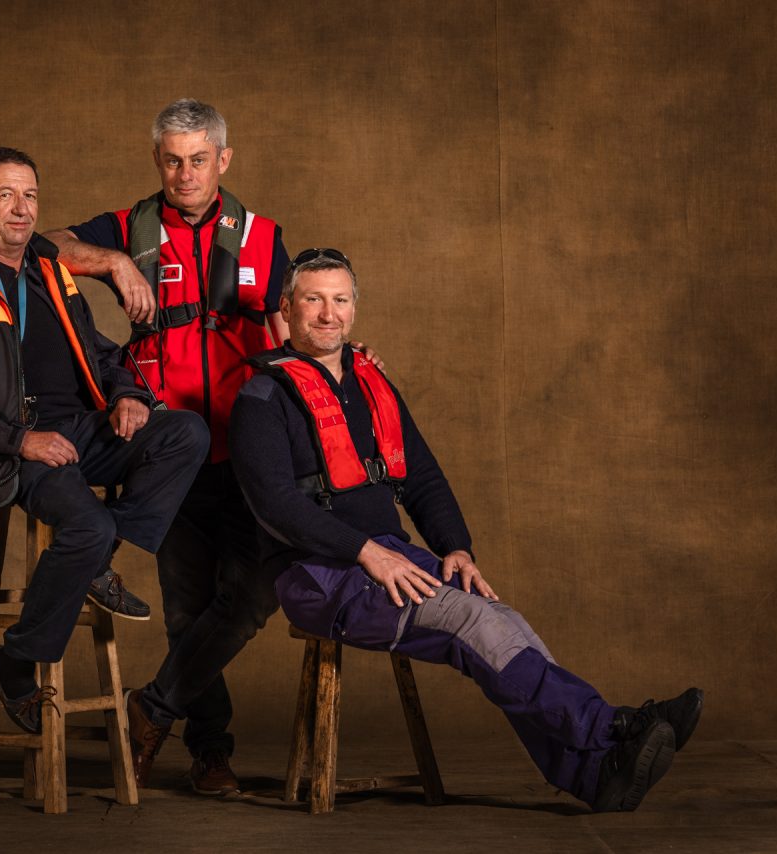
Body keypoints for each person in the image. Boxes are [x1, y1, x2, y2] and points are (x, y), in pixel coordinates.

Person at [228, 248, 703, 812]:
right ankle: (612, 727)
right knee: (471, 621)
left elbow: (422, 475)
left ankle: (595, 774)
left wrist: (456, 547)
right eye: (313, 300)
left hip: (390, 556)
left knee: (503, 618)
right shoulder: (261, 397)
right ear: (286, 309)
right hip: (318, 575)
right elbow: (275, 505)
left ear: (355, 308)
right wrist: (364, 552)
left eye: (340, 300)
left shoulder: (371, 381)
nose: (328, 313)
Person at [0, 148, 208, 733]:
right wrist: (21, 441)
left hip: (81, 430)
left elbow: (100, 353)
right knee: (88, 526)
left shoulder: (51, 273)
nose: (22, 209)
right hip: (11, 448)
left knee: (185, 431)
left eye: (30, 195)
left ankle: (97, 562)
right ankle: (14, 661)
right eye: (5, 195)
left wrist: (127, 395)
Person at [44, 98, 293, 794]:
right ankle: (211, 752)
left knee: (249, 599)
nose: (186, 174)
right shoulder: (129, 227)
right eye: (174, 160)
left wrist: (350, 363)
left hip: (248, 452)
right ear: (158, 159)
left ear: (224, 160)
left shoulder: (265, 238)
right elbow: (41, 249)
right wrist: (113, 262)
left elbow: (295, 330)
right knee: (186, 609)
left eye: (199, 160)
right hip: (169, 452)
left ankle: (151, 708)